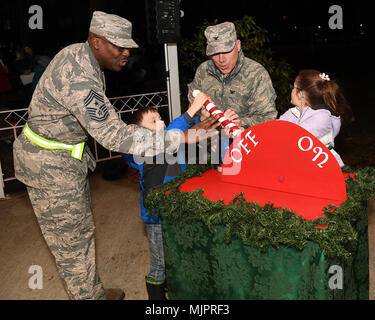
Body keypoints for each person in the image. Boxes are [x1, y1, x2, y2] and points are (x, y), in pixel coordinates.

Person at [13, 11, 219, 300]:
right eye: (118, 46)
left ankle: (91, 291)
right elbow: (114, 135)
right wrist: (182, 136)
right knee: (72, 243)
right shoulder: (79, 74)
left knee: (81, 232)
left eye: (128, 46)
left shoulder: (83, 57)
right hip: (49, 166)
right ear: (96, 41)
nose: (126, 53)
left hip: (62, 158)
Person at [123, 92, 210, 300]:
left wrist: (203, 116)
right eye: (153, 121)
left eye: (160, 117)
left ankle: (175, 286)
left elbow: (186, 131)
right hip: (156, 217)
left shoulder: (170, 141)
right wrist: (190, 112)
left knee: (178, 251)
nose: (160, 122)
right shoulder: (143, 149)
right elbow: (172, 132)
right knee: (160, 260)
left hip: (177, 209)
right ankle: (156, 296)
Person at [187, 21, 277, 129]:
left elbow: (268, 118)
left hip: (242, 143)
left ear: (238, 45)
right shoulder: (203, 71)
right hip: (208, 143)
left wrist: (241, 123)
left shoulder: (256, 74)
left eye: (226, 52)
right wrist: (202, 116)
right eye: (215, 53)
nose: (221, 59)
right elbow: (191, 112)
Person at [279, 69, 353, 167]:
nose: (291, 90)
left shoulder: (322, 117)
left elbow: (297, 141)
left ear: (301, 94)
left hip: (323, 168)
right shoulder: (294, 112)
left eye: (293, 87)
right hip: (302, 165)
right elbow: (276, 130)